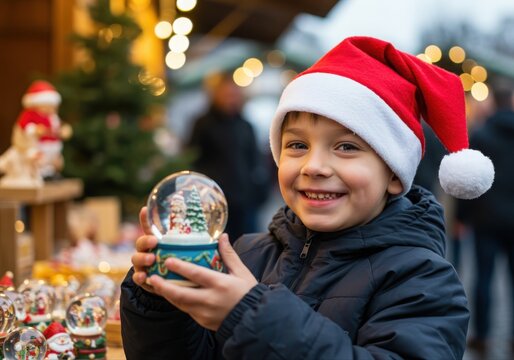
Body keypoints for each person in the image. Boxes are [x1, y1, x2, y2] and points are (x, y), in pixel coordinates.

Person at [120, 36, 494, 359]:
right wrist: (161, 301)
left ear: (394, 175)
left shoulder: (425, 282)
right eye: (297, 144)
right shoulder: (247, 254)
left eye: (346, 147)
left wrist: (248, 314)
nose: (314, 165)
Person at [456, 81, 514, 358]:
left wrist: (461, 217)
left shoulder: (482, 134)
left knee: (483, 279)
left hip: (486, 220)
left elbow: (470, 181)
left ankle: (481, 336)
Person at [186, 72, 270, 241]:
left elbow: (255, 161)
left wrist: (259, 191)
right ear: (216, 95)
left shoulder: (246, 125)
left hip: (245, 200)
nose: (231, 99)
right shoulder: (203, 124)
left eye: (234, 95)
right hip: (214, 199)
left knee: (248, 246)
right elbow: (192, 158)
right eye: (226, 94)